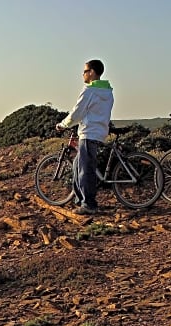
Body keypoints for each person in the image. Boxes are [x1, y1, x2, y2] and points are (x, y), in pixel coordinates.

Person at [56, 59, 114, 215]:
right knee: (77, 165)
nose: (83, 74)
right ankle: (79, 199)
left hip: (88, 133)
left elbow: (77, 113)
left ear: (92, 72)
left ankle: (89, 205)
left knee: (85, 170)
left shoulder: (89, 90)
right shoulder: (108, 91)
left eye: (85, 71)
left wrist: (63, 124)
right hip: (100, 131)